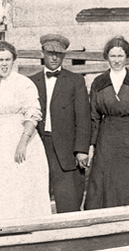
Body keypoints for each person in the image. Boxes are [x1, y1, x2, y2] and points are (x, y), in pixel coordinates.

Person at [0, 41, 50, 222]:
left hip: (19, 141)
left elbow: (33, 114)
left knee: (18, 187)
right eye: (0, 60)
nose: (4, 63)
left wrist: (23, 142)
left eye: (8, 59)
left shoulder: (23, 83)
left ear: (13, 61)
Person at [85, 36, 129, 209]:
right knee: (104, 179)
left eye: (120, 56)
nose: (116, 60)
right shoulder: (99, 83)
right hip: (106, 139)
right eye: (112, 56)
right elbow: (93, 116)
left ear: (127, 57)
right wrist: (91, 145)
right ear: (107, 57)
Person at [27, 33, 92, 213]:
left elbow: (83, 118)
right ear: (42, 53)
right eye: (50, 53)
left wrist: (81, 150)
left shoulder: (75, 81)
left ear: (63, 56)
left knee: (68, 201)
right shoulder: (31, 82)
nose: (54, 57)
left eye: (59, 54)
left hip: (66, 150)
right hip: (38, 146)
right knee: (36, 199)